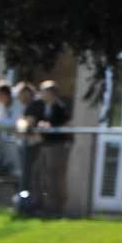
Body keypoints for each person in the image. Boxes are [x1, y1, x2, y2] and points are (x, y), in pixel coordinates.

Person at [34, 80, 72, 216]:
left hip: (57, 147)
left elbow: (64, 125)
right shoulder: (45, 106)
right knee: (40, 173)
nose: (41, 94)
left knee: (53, 176)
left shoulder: (60, 107)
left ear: (50, 93)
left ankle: (56, 208)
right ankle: (43, 205)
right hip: (46, 145)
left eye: (43, 91)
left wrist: (49, 126)